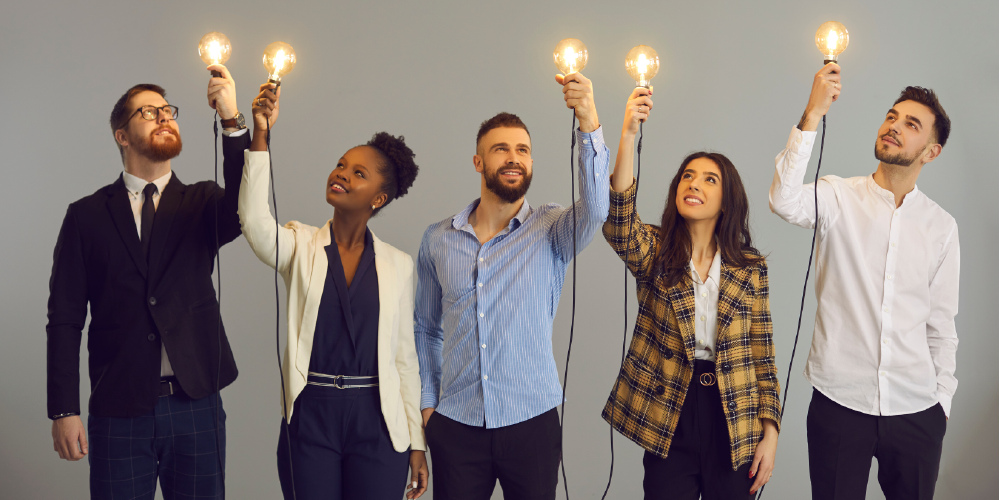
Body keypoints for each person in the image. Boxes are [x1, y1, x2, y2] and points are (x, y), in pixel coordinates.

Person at [46, 64, 249, 499]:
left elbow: (246, 203)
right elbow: (63, 320)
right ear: (122, 135)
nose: (164, 117)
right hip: (118, 408)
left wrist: (231, 120)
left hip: (195, 402)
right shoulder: (85, 216)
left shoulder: (204, 201)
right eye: (148, 112)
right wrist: (64, 409)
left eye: (168, 111)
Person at [413, 72, 609, 500]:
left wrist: (588, 120)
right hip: (456, 424)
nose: (514, 158)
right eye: (501, 149)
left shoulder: (552, 229)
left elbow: (597, 208)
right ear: (478, 162)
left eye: (523, 150)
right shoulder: (437, 239)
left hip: (532, 422)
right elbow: (425, 329)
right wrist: (428, 408)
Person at [769, 64, 958, 500]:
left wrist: (941, 404)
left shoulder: (942, 227)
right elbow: (783, 198)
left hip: (916, 410)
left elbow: (942, 326)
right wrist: (812, 114)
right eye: (892, 116)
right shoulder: (837, 196)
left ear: (931, 151)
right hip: (839, 404)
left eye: (911, 125)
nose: (894, 127)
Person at [239, 82, 427, 500]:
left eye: (358, 172)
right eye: (341, 164)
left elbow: (404, 359)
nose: (341, 173)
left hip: (377, 421)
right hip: (311, 415)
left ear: (378, 198)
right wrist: (261, 135)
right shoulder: (298, 243)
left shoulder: (398, 264)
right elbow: (254, 224)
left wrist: (417, 441)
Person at [601, 87, 781, 499]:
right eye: (687, 175)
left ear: (726, 198)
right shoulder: (655, 252)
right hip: (670, 411)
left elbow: (763, 358)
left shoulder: (750, 270)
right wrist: (629, 133)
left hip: (735, 416)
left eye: (709, 179)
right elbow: (619, 224)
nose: (694, 184)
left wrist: (770, 435)